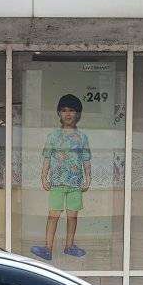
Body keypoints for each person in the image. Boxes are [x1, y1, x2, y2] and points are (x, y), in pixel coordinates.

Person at [32, 93, 91, 261]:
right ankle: (47, 248)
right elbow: (47, 157)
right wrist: (44, 176)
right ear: (59, 113)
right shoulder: (53, 136)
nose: (68, 114)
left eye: (72, 110)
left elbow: (86, 159)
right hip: (57, 183)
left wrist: (88, 177)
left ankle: (69, 245)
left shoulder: (82, 137)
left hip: (75, 184)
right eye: (64, 110)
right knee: (53, 215)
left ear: (77, 113)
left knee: (72, 216)